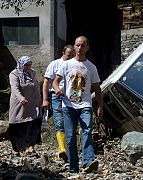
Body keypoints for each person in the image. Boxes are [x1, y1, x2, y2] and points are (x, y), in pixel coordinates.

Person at [52, 36, 103, 173]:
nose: (80, 48)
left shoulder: (91, 67)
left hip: (85, 104)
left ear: (87, 47)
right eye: (78, 45)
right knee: (70, 137)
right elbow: (55, 82)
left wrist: (100, 106)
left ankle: (87, 161)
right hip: (68, 106)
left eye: (83, 45)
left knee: (87, 131)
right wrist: (57, 90)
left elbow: (97, 88)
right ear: (74, 47)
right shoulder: (66, 65)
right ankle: (73, 166)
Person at [42, 45, 75, 161]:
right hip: (56, 96)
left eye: (72, 55)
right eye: (68, 55)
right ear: (63, 53)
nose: (71, 57)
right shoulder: (54, 64)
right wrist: (45, 99)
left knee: (70, 121)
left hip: (71, 97)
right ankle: (62, 148)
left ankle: (69, 148)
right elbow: (46, 83)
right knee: (59, 120)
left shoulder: (75, 64)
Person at [8, 56, 42, 156]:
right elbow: (14, 88)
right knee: (16, 124)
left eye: (30, 65)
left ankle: (30, 146)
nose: (28, 67)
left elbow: (35, 85)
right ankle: (15, 148)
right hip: (18, 103)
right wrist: (21, 98)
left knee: (31, 123)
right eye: (26, 65)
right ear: (21, 64)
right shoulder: (14, 74)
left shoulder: (32, 72)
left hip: (31, 102)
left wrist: (39, 99)